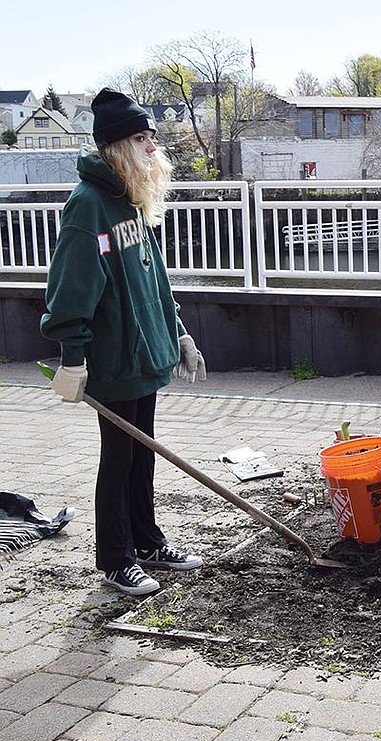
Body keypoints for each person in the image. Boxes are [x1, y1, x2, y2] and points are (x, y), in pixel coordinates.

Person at [40, 88, 208, 596]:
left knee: (143, 452)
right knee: (119, 457)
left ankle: (148, 540)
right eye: (142, 138)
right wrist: (71, 358)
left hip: (147, 352)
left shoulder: (130, 199)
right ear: (117, 147)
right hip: (113, 359)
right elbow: (69, 291)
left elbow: (154, 277)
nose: (153, 148)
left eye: (151, 136)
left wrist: (176, 330)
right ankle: (115, 558)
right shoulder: (88, 208)